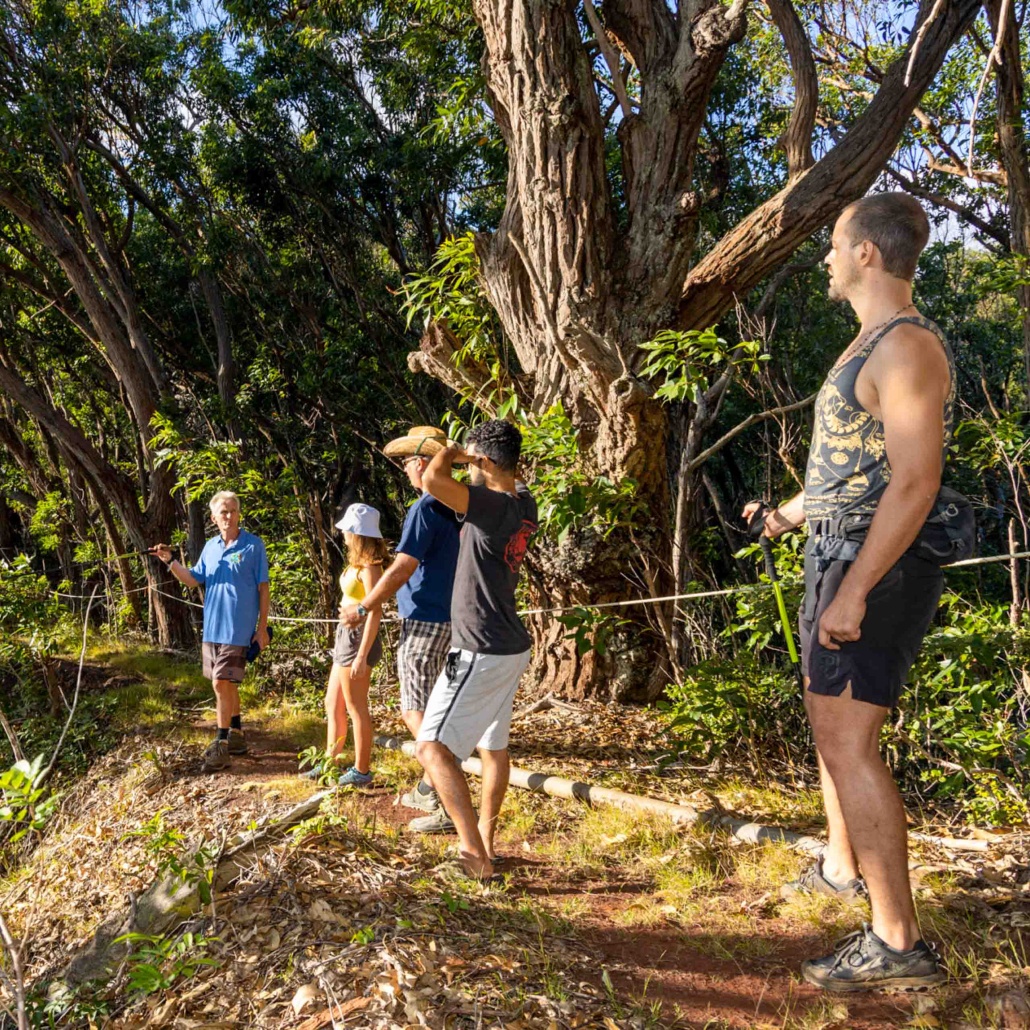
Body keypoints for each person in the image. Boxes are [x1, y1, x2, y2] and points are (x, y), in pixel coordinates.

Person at [743, 193, 953, 991]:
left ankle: (898, 946)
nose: (826, 258)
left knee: (849, 745)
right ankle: (840, 868)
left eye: (835, 245)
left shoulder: (906, 348)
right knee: (832, 733)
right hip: (836, 552)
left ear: (868, 252)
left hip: (875, 566)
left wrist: (856, 588)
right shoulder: (866, 345)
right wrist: (787, 517)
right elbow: (850, 469)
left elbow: (915, 481)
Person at [413, 419, 537, 881]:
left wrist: (453, 454)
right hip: (508, 646)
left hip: (481, 647)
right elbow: (485, 483)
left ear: (484, 463)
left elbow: (431, 481)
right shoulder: (524, 503)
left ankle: (473, 858)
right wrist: (478, 460)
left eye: (477, 462)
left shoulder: (489, 507)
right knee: (492, 746)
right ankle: (484, 839)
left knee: (432, 749)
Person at [340, 426, 460, 829]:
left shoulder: (426, 507)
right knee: (437, 709)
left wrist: (365, 605)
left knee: (416, 711)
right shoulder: (461, 506)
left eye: (408, 461)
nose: (406, 468)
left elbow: (403, 565)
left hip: (425, 618)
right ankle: (430, 787)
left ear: (423, 464)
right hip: (453, 617)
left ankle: (446, 803)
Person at [153, 491, 270, 773]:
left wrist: (262, 628)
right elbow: (193, 580)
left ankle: (220, 743)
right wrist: (170, 561)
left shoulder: (253, 546)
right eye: (223, 512)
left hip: (239, 629)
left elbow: (263, 587)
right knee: (226, 684)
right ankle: (238, 734)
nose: (228, 516)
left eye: (232, 510)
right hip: (212, 628)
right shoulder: (210, 547)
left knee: (220, 683)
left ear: (239, 514)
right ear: (213, 518)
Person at [318, 503, 388, 787]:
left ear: (358, 533)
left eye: (348, 528)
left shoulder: (371, 567)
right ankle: (328, 763)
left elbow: (376, 611)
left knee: (355, 706)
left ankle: (362, 770)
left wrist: (361, 656)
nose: (343, 532)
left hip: (359, 641)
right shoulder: (355, 564)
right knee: (332, 702)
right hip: (344, 638)